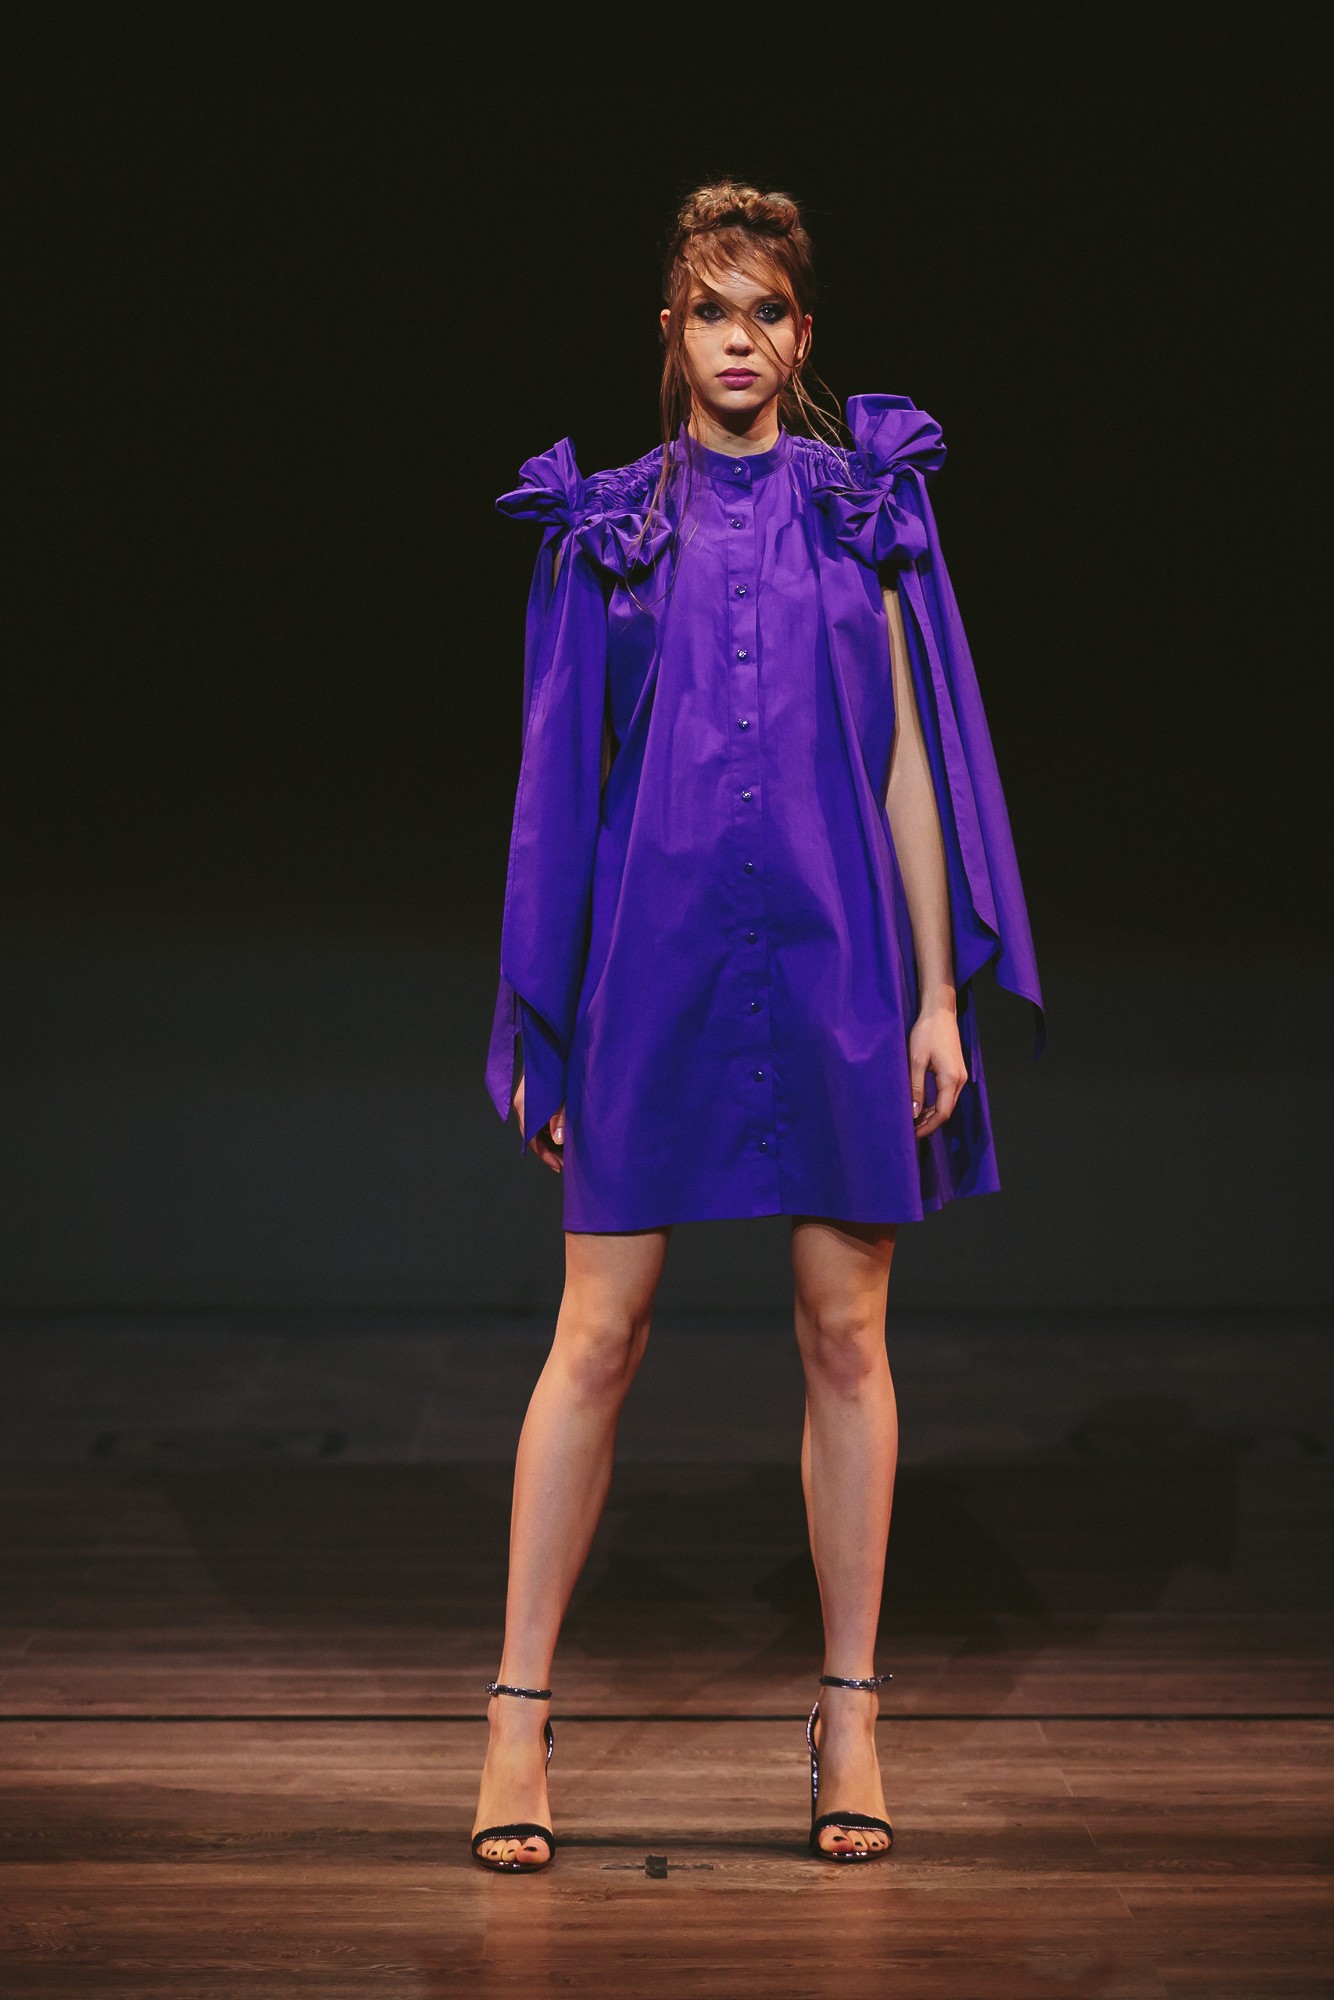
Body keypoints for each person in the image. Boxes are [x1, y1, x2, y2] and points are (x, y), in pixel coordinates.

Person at [472, 180, 1045, 1871]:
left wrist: (935, 994)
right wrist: (544, 1018)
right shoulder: (608, 529)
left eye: (766, 312)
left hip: (839, 955)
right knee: (598, 1333)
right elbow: (555, 788)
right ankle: (513, 1717)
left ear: (803, 334)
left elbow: (909, 760)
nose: (739, 340)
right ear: (672, 333)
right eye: (710, 312)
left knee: (846, 1332)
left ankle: (848, 1713)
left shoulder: (865, 511)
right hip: (650, 967)